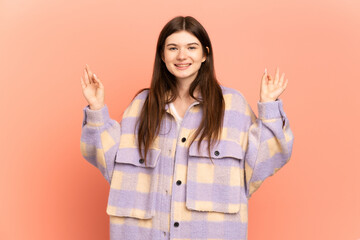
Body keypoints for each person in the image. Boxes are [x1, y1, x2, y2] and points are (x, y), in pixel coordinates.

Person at [80, 15, 294, 240]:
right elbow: (112, 164)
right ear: (162, 56)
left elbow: (262, 163)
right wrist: (96, 108)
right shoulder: (142, 106)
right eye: (173, 48)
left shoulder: (233, 105)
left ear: (205, 55)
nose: (182, 56)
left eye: (191, 47)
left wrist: (269, 107)